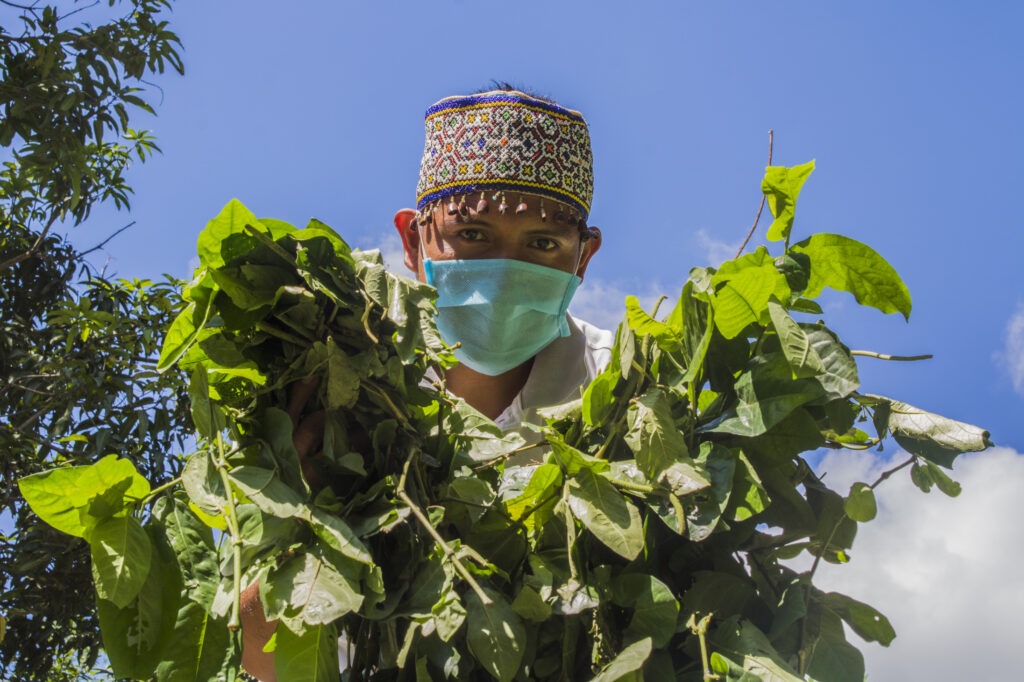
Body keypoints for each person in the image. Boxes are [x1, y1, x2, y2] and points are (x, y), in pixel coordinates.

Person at [240, 85, 613, 681]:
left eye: (543, 243)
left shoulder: (621, 393)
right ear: (414, 241)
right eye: (473, 235)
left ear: (583, 257)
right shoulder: (331, 395)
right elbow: (265, 662)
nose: (506, 269)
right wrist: (302, 526)